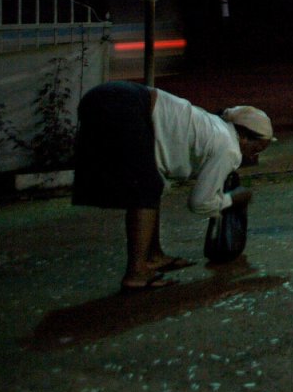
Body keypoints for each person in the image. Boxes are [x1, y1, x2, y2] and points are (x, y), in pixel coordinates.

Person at [71, 81, 274, 292]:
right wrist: (233, 199)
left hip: (112, 97)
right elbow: (200, 203)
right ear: (244, 136)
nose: (254, 156)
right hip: (122, 103)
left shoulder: (215, 127)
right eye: (256, 148)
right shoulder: (228, 147)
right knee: (145, 188)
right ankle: (137, 273)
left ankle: (153, 256)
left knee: (151, 183)